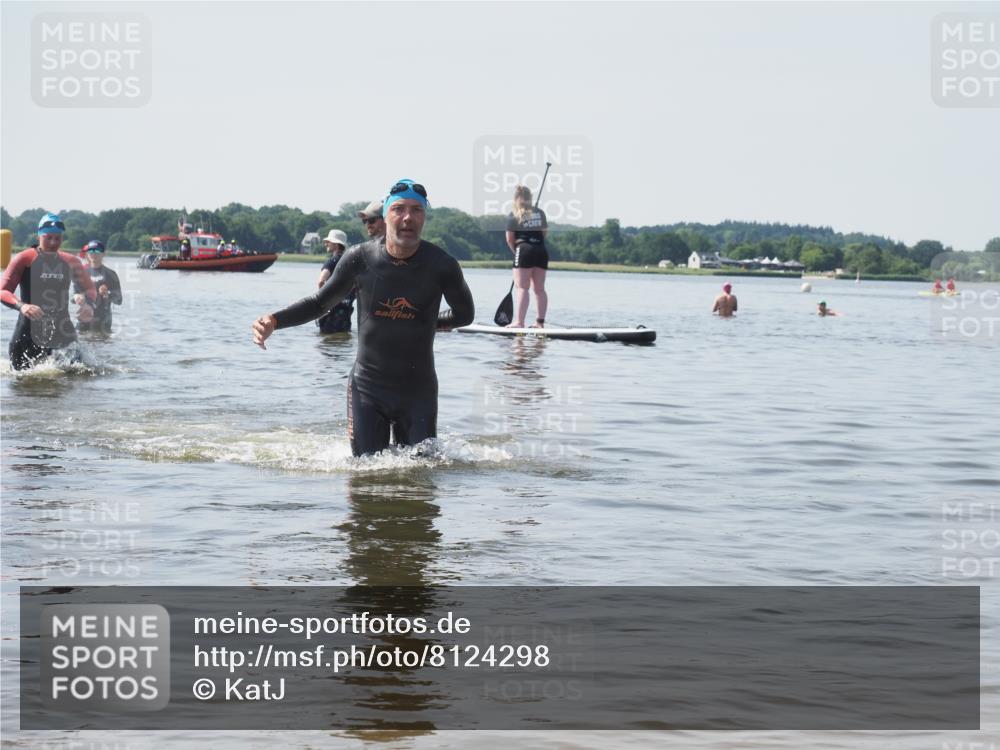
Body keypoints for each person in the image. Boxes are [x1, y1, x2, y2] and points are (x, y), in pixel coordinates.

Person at [252, 179, 475, 456]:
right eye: (399, 209)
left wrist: (431, 322)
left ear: (424, 217)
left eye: (417, 210)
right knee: (365, 476)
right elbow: (321, 303)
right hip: (368, 388)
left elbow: (465, 315)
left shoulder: (442, 265)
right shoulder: (361, 258)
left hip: (418, 392)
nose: (408, 217)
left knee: (421, 475)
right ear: (385, 216)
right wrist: (274, 320)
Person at [1, 213, 97, 369]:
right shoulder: (24, 258)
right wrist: (22, 306)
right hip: (27, 334)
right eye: (48, 238)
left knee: (79, 377)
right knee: (23, 386)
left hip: (63, 332)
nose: (53, 242)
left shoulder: (70, 261)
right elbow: (3, 291)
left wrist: (89, 305)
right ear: (39, 236)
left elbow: (90, 289)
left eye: (57, 238)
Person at [505, 184, 548, 328]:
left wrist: (516, 252)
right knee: (539, 289)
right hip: (541, 250)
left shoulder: (514, 215)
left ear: (516, 198)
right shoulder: (540, 213)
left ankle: (519, 322)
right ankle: (539, 323)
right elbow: (544, 233)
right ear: (530, 197)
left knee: (522, 287)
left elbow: (510, 239)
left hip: (524, 250)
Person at [73, 240, 123, 333]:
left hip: (103, 319)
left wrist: (107, 294)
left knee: (102, 345)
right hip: (84, 318)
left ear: (103, 254)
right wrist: (77, 297)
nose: (93, 254)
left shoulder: (111, 274)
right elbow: (73, 296)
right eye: (91, 251)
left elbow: (119, 300)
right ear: (87, 254)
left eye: (97, 251)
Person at [316, 229, 354, 334]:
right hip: (346, 313)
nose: (326, 243)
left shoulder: (332, 261)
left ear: (336, 245)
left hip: (331, 313)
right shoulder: (351, 262)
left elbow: (321, 281)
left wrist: (322, 304)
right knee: (342, 340)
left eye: (329, 242)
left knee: (327, 343)